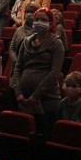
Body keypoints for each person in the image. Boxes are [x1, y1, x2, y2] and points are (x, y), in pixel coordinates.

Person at [11, 7, 65, 137]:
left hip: (47, 101)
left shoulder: (56, 43)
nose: (40, 22)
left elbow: (54, 73)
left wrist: (36, 96)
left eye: (44, 20)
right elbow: (18, 68)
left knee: (42, 137)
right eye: (37, 19)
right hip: (24, 99)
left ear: (51, 24)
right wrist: (18, 92)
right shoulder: (26, 42)